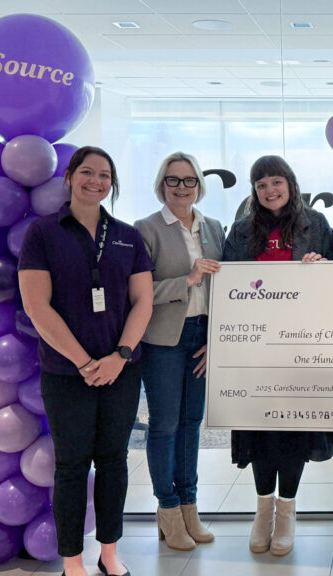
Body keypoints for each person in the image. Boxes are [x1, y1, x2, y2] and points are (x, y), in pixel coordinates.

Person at [18, 146, 154, 576]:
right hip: (66, 372)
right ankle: (72, 564)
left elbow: (143, 303)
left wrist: (119, 355)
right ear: (70, 177)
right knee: (73, 466)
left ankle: (109, 552)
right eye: (87, 173)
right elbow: (38, 307)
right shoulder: (43, 233)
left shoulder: (127, 237)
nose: (96, 182)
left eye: (105, 175)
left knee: (114, 462)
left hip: (121, 371)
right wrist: (82, 362)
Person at [222, 154, 333, 557]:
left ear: (290, 183)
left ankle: (287, 512)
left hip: (301, 345)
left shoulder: (317, 225)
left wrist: (321, 267)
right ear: (254, 192)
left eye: (276, 182)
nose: (270, 190)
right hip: (255, 347)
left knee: (293, 432)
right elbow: (230, 290)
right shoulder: (241, 230)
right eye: (261, 185)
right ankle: (262, 512)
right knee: (260, 432)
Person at [135, 152, 224, 551]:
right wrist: (185, 280)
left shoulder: (214, 228)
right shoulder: (146, 229)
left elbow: (227, 287)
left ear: (199, 185)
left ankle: (189, 505)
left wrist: (218, 336)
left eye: (189, 180)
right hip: (164, 341)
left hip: (203, 336)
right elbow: (135, 293)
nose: (182, 187)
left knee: (191, 424)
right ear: (162, 184)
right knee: (165, 425)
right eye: (174, 180)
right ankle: (167, 509)